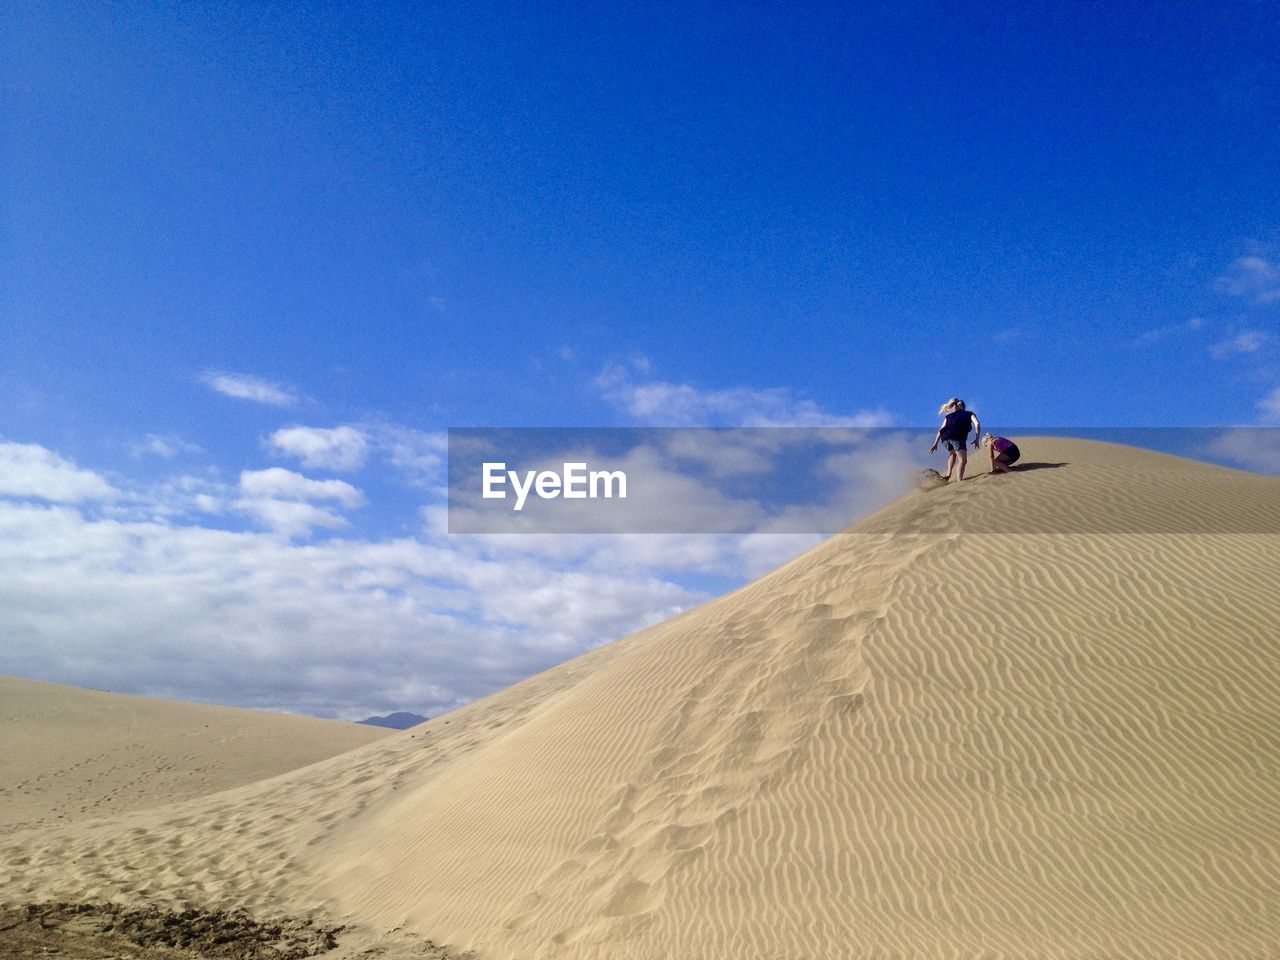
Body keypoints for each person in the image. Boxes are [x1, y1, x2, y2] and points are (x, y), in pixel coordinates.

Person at [928, 398, 981, 481]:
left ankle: (948, 475)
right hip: (957, 437)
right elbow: (977, 424)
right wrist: (977, 438)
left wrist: (935, 443)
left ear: (955, 407)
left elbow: (941, 429)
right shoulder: (969, 414)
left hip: (945, 438)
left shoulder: (948, 416)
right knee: (963, 461)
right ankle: (960, 481)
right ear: (964, 406)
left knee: (952, 453)